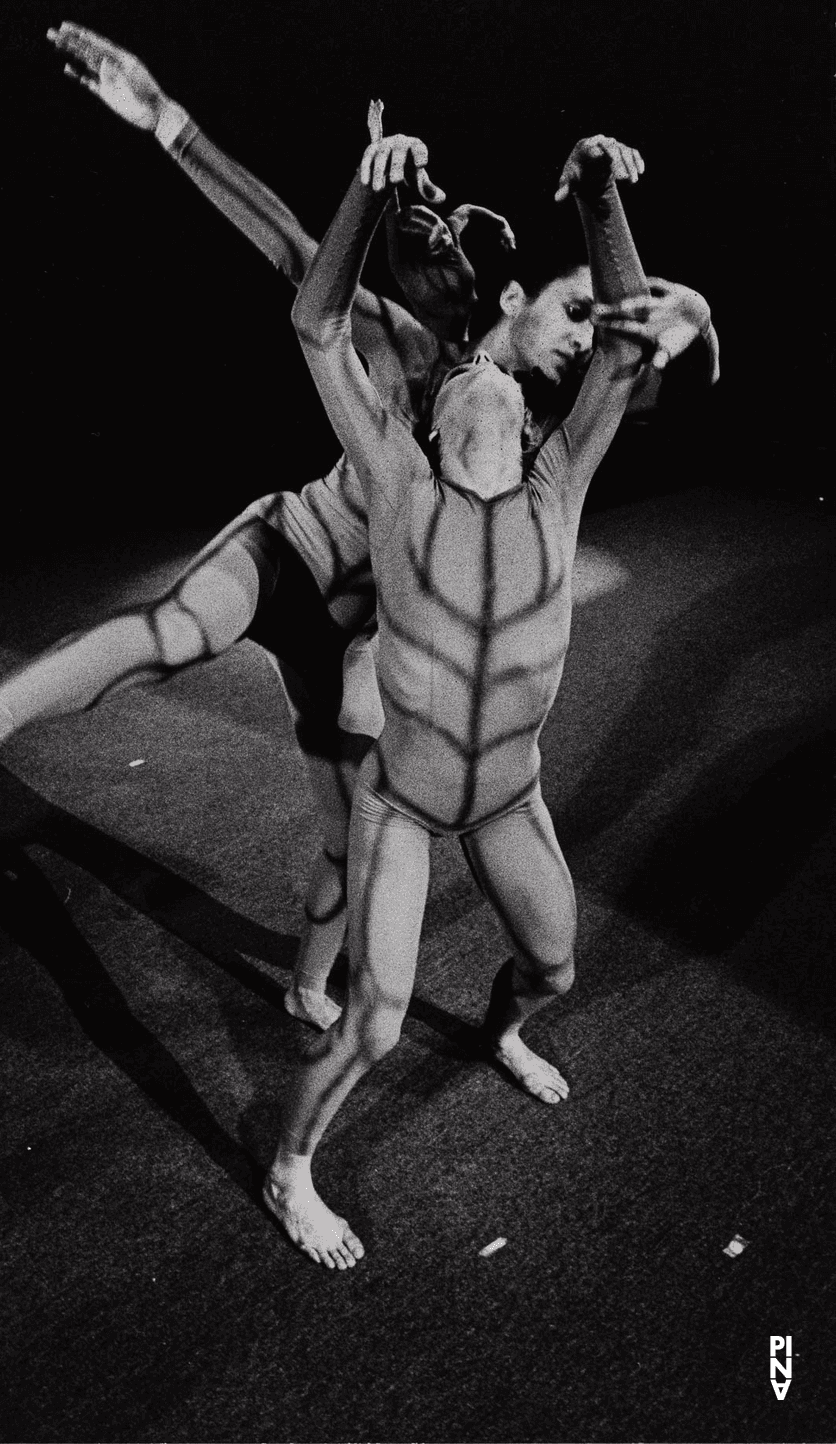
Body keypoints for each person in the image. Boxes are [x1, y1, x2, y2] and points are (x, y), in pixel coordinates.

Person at [0, 25, 716, 1033]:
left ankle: (308, 981)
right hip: (293, 552)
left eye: (593, 329)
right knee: (172, 631)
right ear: (519, 299)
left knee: (345, 831)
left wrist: (687, 309)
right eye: (574, 316)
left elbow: (633, 363)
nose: (584, 341)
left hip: (351, 627)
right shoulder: (407, 343)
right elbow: (290, 251)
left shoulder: (534, 439)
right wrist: (168, 122)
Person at [261, 125, 661, 1269]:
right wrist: (359, 184)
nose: (478, 372)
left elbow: (623, 356)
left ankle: (500, 1034)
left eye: (500, 375)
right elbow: (315, 322)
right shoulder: (396, 483)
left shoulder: (557, 487)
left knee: (555, 968)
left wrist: (594, 196)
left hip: (510, 803)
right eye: (457, 379)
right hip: (404, 802)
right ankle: (293, 1171)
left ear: (528, 418)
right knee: (378, 1016)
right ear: (429, 426)